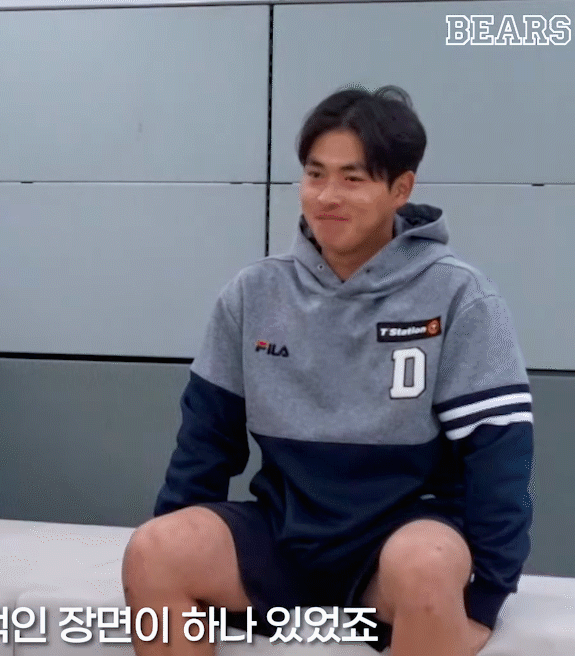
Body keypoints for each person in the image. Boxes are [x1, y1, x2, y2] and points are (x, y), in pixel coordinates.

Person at [122, 85, 534, 656]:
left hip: (399, 549)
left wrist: (485, 597)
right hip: (285, 535)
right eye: (315, 175)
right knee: (154, 550)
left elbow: (500, 458)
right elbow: (205, 443)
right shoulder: (253, 293)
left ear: (401, 189)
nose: (327, 196)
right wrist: (179, 541)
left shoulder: (461, 296)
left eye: (353, 178)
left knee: (426, 564)